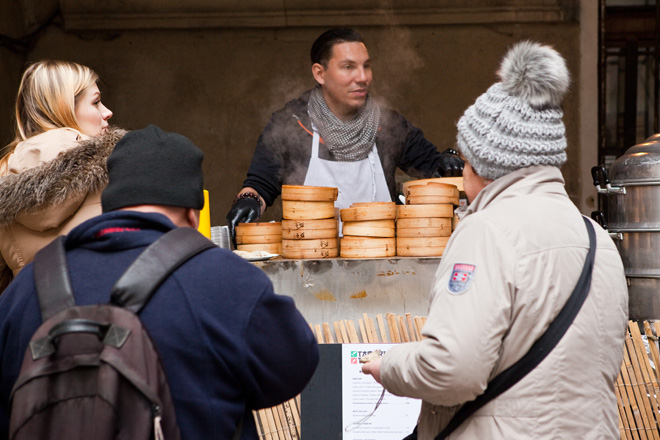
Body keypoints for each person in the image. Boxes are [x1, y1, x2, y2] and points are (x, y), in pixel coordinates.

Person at [362, 41, 628, 439]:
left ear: (484, 166)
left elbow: (451, 370)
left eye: (465, 161)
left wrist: (390, 365)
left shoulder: (486, 231)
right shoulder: (597, 240)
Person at [0, 124, 320, 439]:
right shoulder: (226, 280)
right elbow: (295, 368)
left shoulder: (25, 288)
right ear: (193, 214)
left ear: (109, 203)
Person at [226, 27, 464, 239]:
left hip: (382, 268)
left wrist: (448, 160)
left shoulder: (389, 124)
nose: (362, 78)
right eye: (348, 67)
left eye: (366, 66)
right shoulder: (290, 124)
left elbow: (432, 167)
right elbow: (260, 184)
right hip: (312, 266)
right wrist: (248, 201)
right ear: (320, 73)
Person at [0, 60, 120, 292]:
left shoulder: (4, 174)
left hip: (34, 315)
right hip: (107, 309)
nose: (107, 112)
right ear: (62, 107)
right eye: (96, 102)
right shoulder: (113, 166)